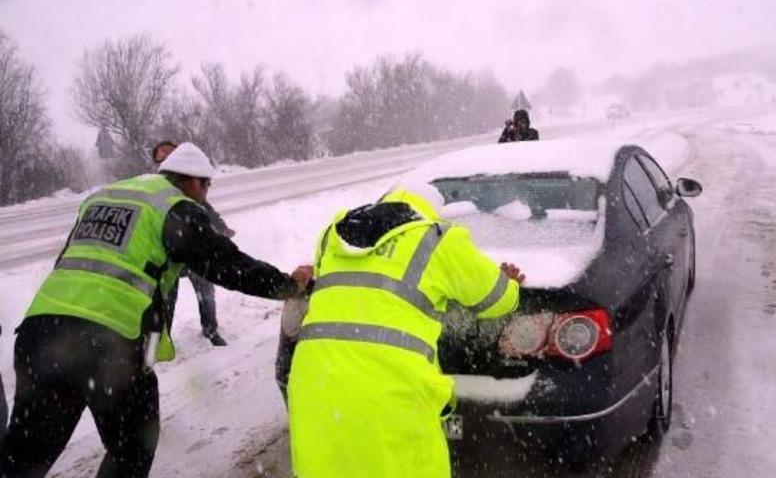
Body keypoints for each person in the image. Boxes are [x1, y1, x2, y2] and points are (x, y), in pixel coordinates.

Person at [0, 142, 313, 477]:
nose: (205, 195)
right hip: (109, 344)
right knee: (132, 447)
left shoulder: (106, 197)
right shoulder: (174, 206)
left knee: (25, 456)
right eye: (206, 186)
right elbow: (228, 265)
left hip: (42, 336)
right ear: (193, 181)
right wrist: (288, 285)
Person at [287, 182, 525, 478]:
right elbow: (497, 301)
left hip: (315, 383)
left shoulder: (332, 235)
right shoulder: (438, 238)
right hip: (391, 389)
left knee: (326, 466)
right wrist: (510, 284)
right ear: (433, 210)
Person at [151, 141, 232, 346]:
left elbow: (205, 208)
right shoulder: (155, 187)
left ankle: (211, 330)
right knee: (166, 300)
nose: (166, 159)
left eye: (171, 155)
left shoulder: (188, 184)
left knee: (206, 291)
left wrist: (221, 228)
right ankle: (161, 337)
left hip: (193, 252)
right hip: (169, 256)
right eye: (162, 157)